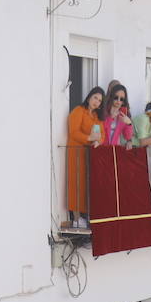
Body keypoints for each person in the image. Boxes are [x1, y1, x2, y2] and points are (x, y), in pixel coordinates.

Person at [65, 86, 103, 227]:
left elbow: (102, 134)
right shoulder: (78, 111)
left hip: (90, 155)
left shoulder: (97, 117)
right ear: (89, 97)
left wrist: (98, 141)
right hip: (76, 153)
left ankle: (85, 216)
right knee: (76, 184)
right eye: (95, 98)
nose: (96, 102)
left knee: (87, 185)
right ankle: (75, 218)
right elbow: (73, 132)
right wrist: (89, 138)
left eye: (99, 100)